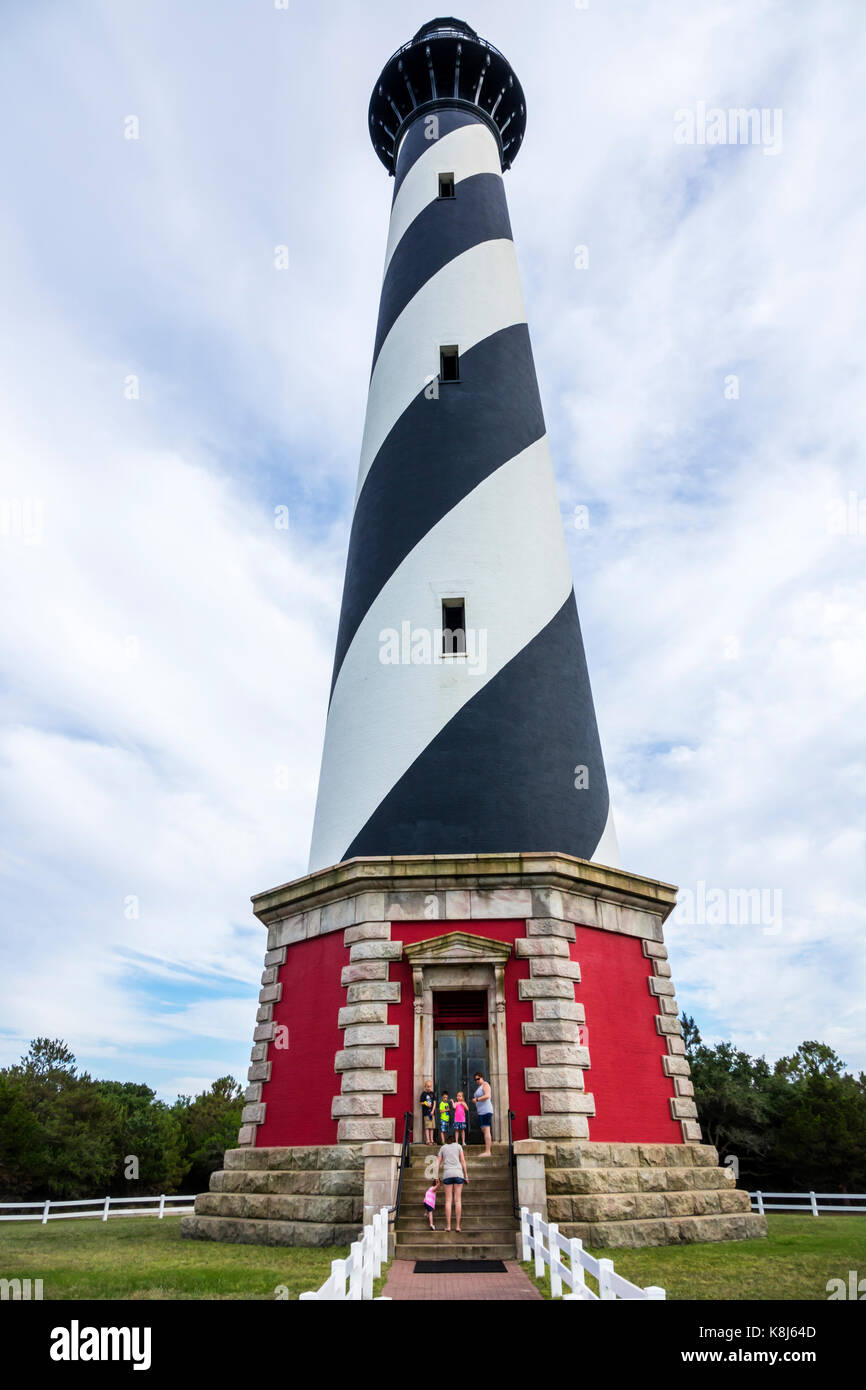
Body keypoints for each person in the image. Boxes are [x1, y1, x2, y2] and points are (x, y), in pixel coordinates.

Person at [436, 1137, 468, 1232]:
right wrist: (466, 1176)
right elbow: (463, 1161)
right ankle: (457, 1226)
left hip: (447, 1174)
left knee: (448, 1201)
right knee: (457, 1201)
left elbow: (437, 1163)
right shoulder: (458, 1146)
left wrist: (436, 1177)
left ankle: (449, 1226)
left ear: (446, 1141)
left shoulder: (443, 1148)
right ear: (455, 1140)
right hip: (458, 1173)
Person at [473, 1073, 494, 1156]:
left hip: (486, 1110)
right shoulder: (479, 1087)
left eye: (478, 1079)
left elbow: (487, 1095)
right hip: (481, 1111)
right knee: (484, 1130)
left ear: (482, 1078)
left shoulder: (485, 1084)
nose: (477, 1081)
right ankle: (487, 1150)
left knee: (486, 1129)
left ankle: (488, 1151)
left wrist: (477, 1099)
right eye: (475, 1080)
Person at [420, 1079, 435, 1145]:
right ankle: (428, 1140)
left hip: (432, 1114)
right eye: (427, 1086)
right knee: (427, 1127)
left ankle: (432, 1140)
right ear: (425, 1086)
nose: (429, 1088)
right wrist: (425, 1103)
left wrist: (433, 1111)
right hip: (426, 1113)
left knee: (432, 1127)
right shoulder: (423, 1094)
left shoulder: (432, 1093)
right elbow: (420, 1102)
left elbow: (434, 1102)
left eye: (430, 1086)